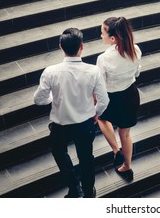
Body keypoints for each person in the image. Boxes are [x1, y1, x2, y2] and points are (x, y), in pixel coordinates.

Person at [34, 28, 109, 198]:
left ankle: (74, 187)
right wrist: (95, 114)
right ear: (82, 46)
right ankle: (89, 191)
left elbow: (39, 99)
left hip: (60, 125)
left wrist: (52, 98)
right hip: (84, 124)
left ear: (61, 47)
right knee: (86, 158)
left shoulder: (50, 72)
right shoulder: (93, 71)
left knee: (59, 154)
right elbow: (104, 101)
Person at [96, 16, 141, 182]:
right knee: (126, 133)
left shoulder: (104, 59)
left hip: (112, 98)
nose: (101, 36)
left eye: (102, 33)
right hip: (130, 95)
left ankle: (116, 151)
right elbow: (137, 73)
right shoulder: (135, 50)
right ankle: (127, 166)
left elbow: (99, 84)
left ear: (113, 38)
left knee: (101, 119)